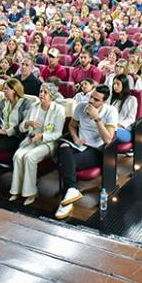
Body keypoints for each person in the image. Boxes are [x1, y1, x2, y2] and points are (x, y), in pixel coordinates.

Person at [55, 84, 118, 219]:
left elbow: (108, 140)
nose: (91, 101)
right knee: (62, 147)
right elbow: (72, 126)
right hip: (79, 144)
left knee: (66, 164)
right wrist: (75, 138)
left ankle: (66, 200)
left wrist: (97, 119)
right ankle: (72, 190)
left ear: (104, 101)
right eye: (91, 97)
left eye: (96, 100)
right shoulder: (80, 106)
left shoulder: (111, 111)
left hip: (97, 149)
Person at [9, 83, 66, 205]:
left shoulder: (59, 110)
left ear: (52, 95)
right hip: (31, 140)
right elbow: (21, 128)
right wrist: (27, 123)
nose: (41, 94)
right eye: (41, 91)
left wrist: (42, 136)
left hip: (48, 143)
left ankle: (31, 193)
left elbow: (58, 133)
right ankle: (16, 190)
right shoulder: (34, 107)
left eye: (45, 92)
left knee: (30, 157)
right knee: (18, 156)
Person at [110, 74, 137, 143]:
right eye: (114, 84)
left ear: (124, 85)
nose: (115, 86)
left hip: (125, 130)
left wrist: (119, 125)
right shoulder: (112, 98)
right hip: (111, 126)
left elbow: (131, 118)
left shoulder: (132, 99)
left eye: (118, 84)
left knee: (106, 130)